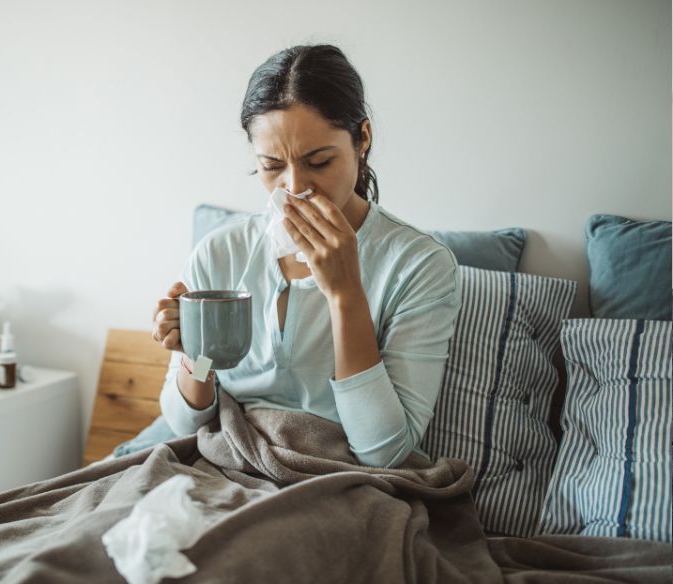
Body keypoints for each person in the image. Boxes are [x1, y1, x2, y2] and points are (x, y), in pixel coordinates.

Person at [151, 44, 462, 468]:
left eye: (318, 161)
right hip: (227, 464)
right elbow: (186, 424)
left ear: (363, 139)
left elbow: (384, 452)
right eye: (272, 165)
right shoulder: (220, 253)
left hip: (338, 479)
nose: (295, 186)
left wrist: (345, 293)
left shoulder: (418, 265)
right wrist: (195, 353)